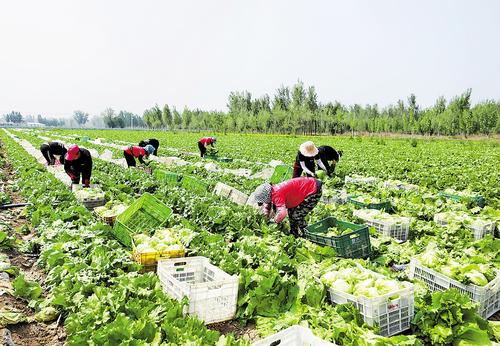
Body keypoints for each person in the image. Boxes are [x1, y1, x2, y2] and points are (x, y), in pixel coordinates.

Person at [253, 177, 323, 237]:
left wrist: (274, 221)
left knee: (297, 215)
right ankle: (294, 234)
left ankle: (309, 234)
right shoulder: (271, 191)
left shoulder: (277, 194)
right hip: (306, 188)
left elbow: (282, 213)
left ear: (267, 196)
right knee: (291, 212)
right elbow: (267, 204)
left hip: (313, 190)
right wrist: (266, 215)